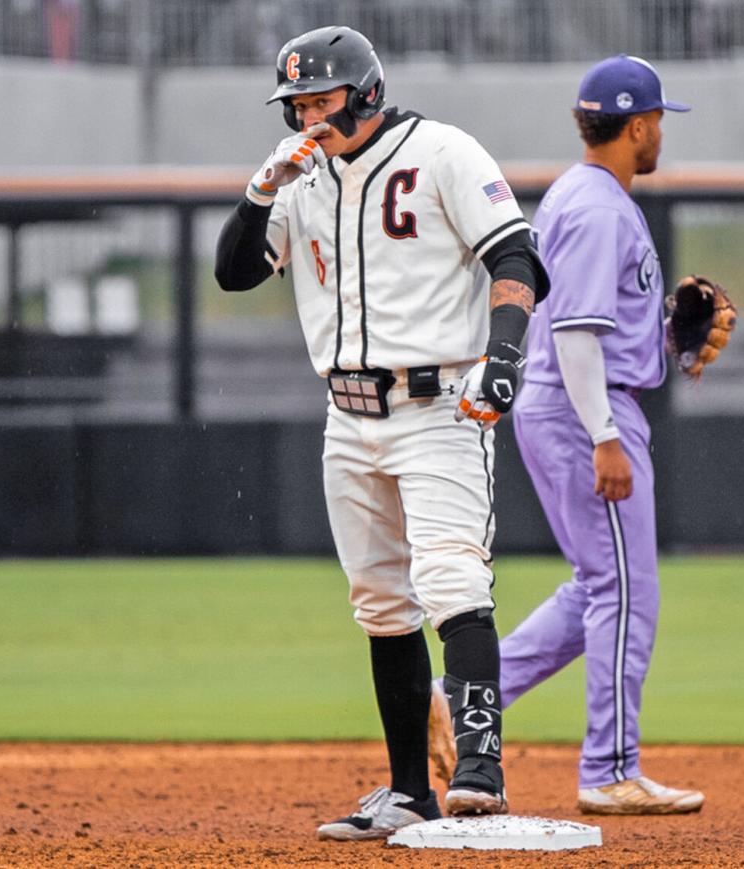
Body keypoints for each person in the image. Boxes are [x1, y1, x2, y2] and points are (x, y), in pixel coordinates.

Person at [213, 25, 549, 840]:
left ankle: (479, 772)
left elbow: (516, 256)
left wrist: (504, 356)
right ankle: (409, 792)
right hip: (348, 414)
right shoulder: (300, 175)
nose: (306, 117)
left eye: (320, 100)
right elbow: (233, 271)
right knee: (380, 604)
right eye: (295, 104)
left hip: (439, 406)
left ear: (365, 91)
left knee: (451, 580)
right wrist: (261, 189)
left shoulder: (443, 152)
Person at [428, 54, 705, 815]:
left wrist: (668, 332)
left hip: (577, 403)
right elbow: (577, 336)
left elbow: (594, 324)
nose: (658, 137)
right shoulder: (597, 207)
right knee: (624, 592)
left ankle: (454, 698)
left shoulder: (588, 196)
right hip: (583, 410)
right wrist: (606, 436)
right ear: (639, 125)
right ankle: (610, 768)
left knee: (597, 588)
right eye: (656, 124)